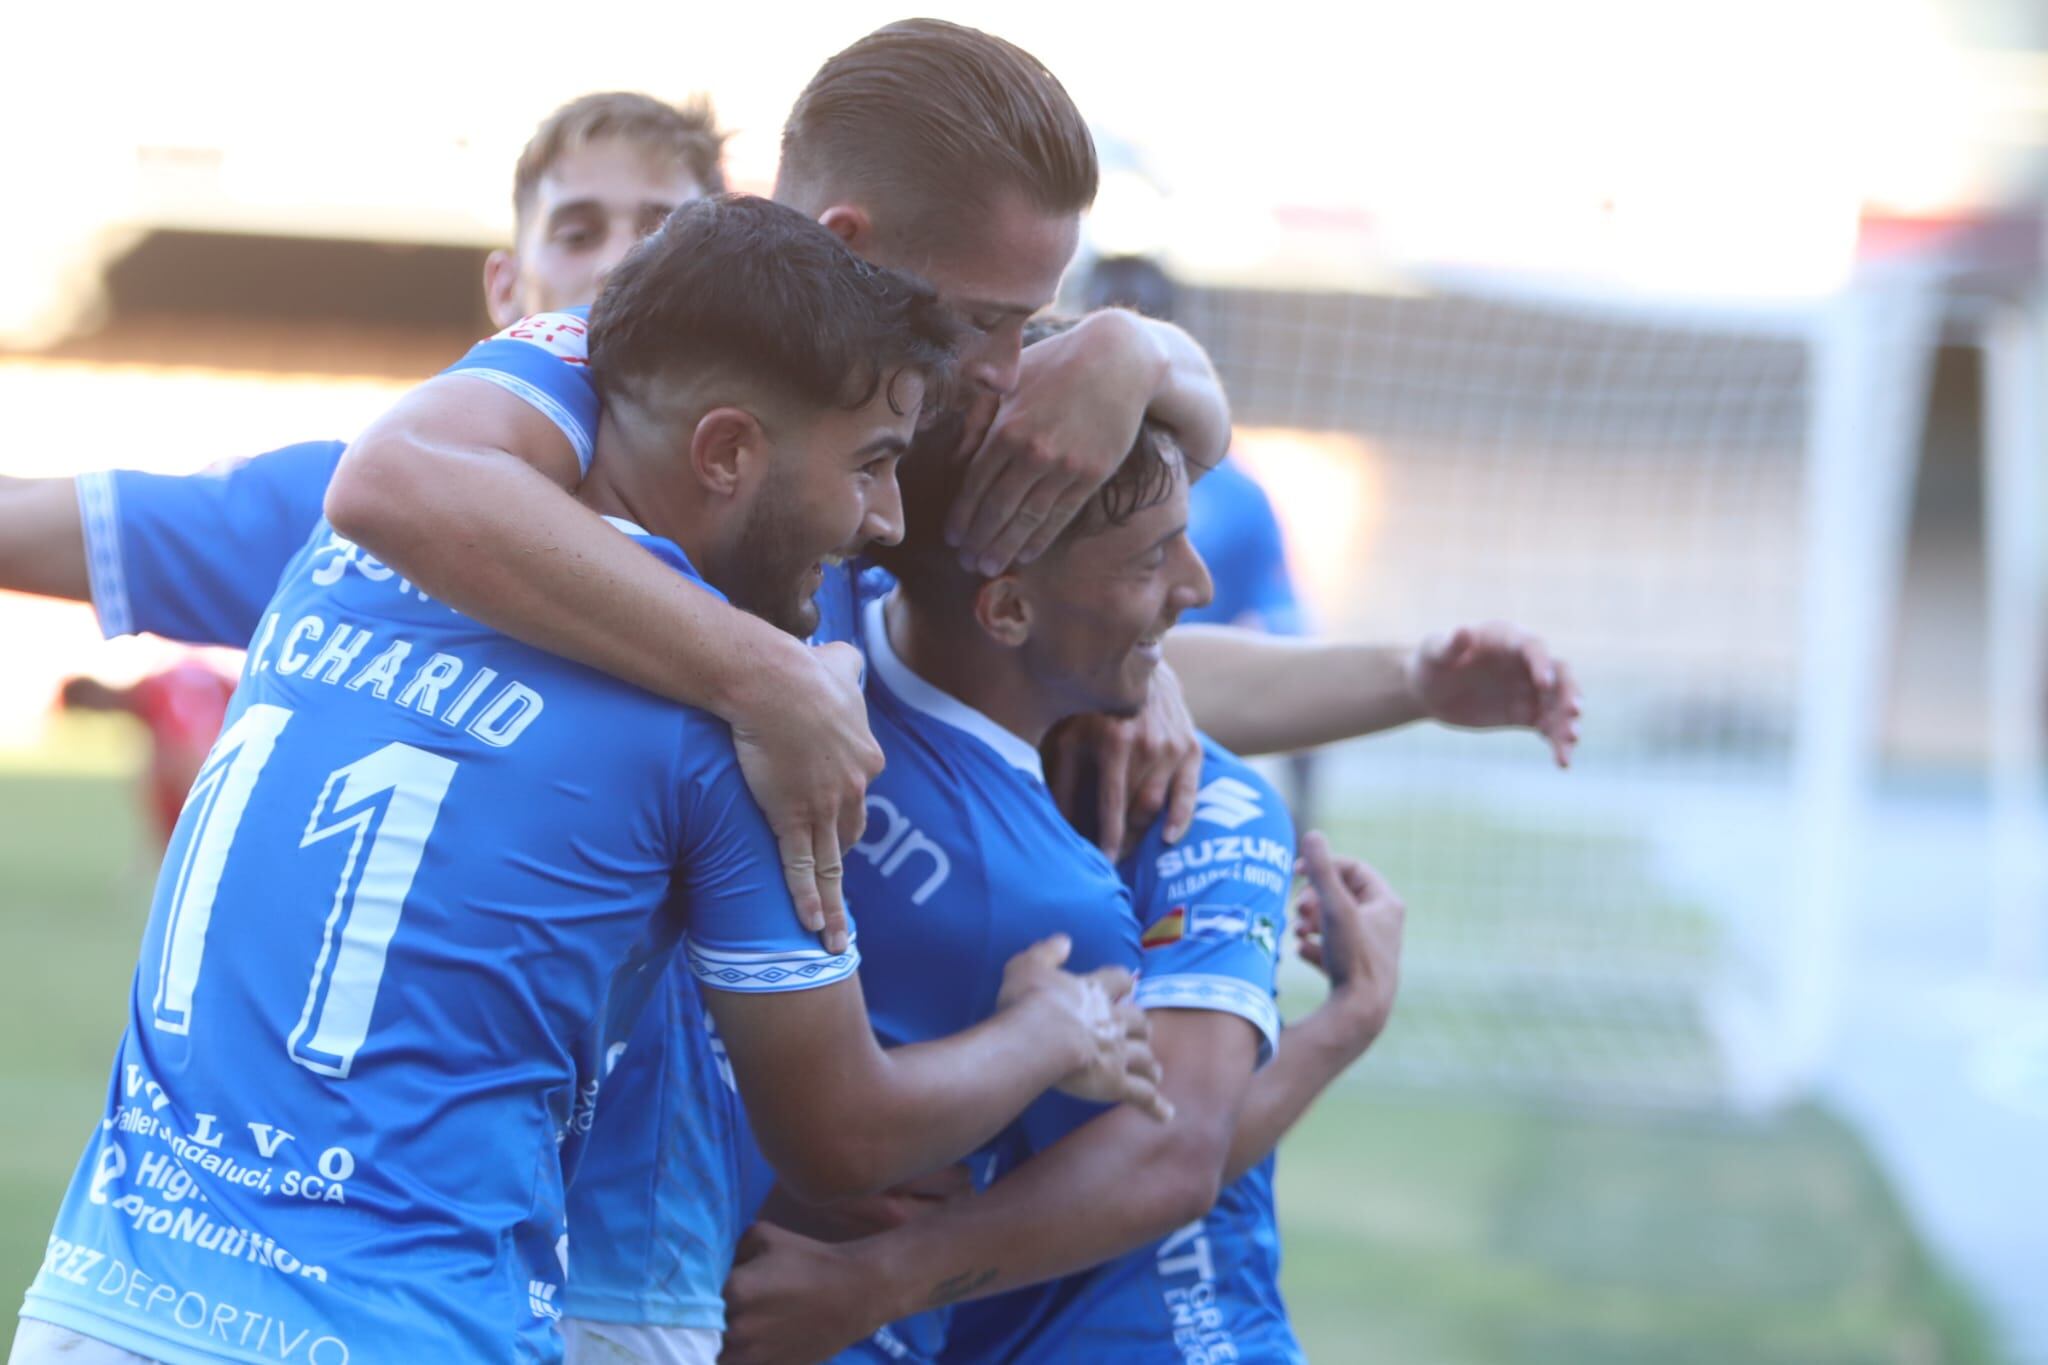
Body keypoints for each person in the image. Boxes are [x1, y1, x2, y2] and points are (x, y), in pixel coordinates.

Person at [10, 195, 1162, 1365]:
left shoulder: (343, 543)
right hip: (402, 1329)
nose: (884, 517)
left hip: (101, 1303)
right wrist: (1049, 1027)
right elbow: (844, 1135)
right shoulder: (735, 719)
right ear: (724, 453)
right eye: (868, 464)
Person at [57, 656, 239, 848]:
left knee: (163, 774)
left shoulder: (166, 693)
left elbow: (194, 760)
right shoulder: (152, 707)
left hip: (257, 746)